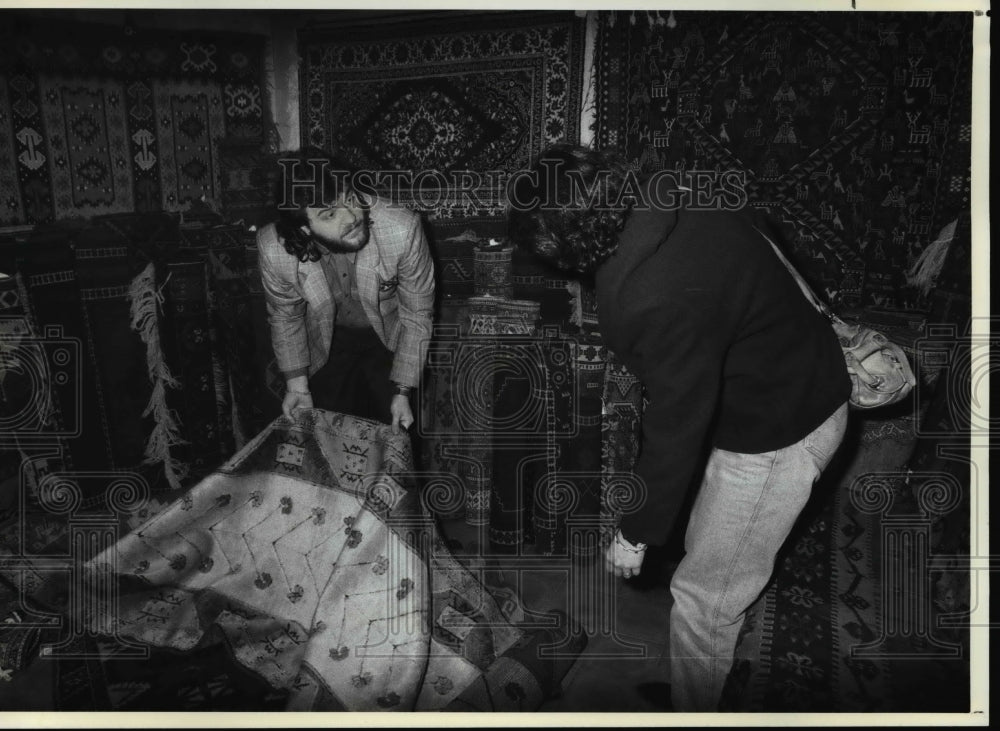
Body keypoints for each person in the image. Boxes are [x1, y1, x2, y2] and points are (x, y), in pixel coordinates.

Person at [507, 144, 851, 711]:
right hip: (792, 380)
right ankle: (704, 680)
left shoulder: (649, 296)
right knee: (708, 557)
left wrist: (634, 532)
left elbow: (676, 420)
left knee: (702, 599)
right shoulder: (677, 196)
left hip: (782, 428)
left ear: (560, 249)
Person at [257, 148, 435, 435]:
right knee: (328, 437)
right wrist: (297, 384)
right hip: (326, 339)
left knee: (395, 437)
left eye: (350, 199)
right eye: (329, 214)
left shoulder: (401, 229)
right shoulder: (274, 248)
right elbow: (285, 316)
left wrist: (403, 391)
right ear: (303, 229)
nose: (351, 216)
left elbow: (417, 313)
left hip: (388, 335)